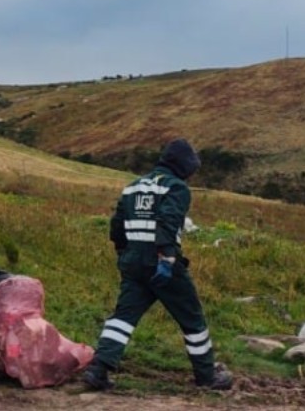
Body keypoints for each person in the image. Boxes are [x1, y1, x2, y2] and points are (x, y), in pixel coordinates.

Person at [83, 138, 232, 391]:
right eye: (192, 168)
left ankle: (99, 369)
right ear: (183, 166)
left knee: (123, 317)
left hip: (133, 263)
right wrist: (166, 257)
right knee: (192, 318)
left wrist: (123, 253)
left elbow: (116, 225)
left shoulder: (132, 187)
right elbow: (167, 221)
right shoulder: (177, 188)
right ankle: (207, 376)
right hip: (163, 264)